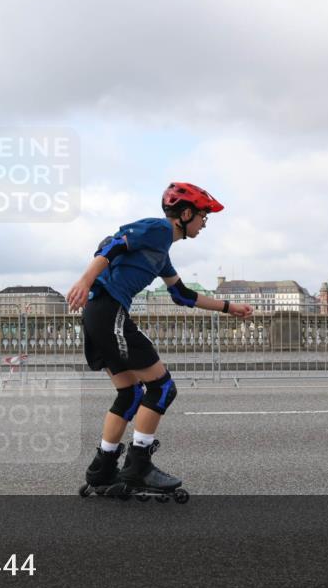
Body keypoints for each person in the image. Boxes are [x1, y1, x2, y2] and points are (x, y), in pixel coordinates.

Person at [66, 182, 253, 493]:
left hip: (100, 314)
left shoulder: (162, 252)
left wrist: (229, 307)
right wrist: (85, 280)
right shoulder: (159, 229)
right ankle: (138, 467)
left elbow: (181, 294)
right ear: (186, 213)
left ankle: (102, 468)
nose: (204, 223)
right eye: (203, 216)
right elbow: (112, 246)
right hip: (108, 310)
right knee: (162, 387)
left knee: (130, 394)